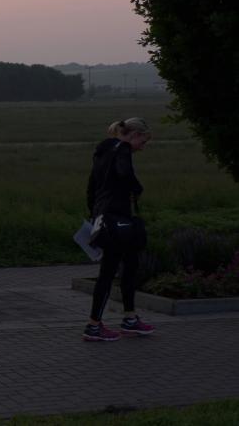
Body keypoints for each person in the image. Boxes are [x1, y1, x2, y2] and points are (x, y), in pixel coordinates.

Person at [83, 117, 156, 342]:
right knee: (110, 271)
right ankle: (94, 325)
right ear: (134, 135)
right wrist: (137, 188)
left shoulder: (102, 151)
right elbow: (124, 173)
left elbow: (91, 186)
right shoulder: (122, 149)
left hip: (104, 214)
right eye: (143, 142)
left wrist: (95, 214)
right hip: (118, 217)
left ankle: (130, 318)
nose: (142, 147)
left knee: (129, 266)